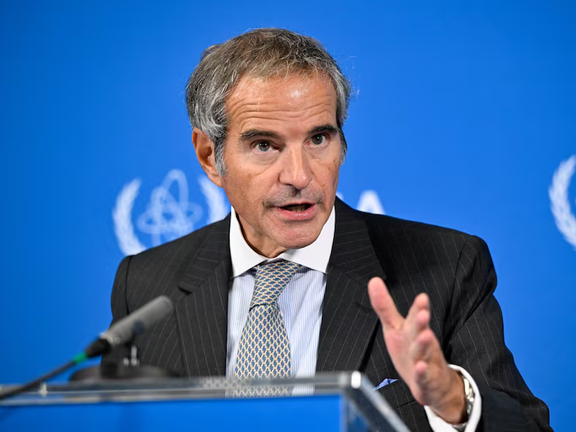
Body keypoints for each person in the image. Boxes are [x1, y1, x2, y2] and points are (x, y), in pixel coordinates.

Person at [105, 28, 552, 431]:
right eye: (265, 145)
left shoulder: (446, 268)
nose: (300, 175)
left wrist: (452, 400)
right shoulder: (145, 285)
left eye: (318, 139)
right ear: (209, 156)